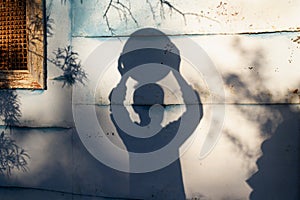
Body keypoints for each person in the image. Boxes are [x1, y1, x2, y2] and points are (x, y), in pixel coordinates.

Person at [109, 28, 203, 199]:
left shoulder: (133, 137)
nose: (154, 106)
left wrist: (124, 77)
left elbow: (116, 107)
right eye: (153, 100)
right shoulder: (169, 137)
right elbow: (195, 111)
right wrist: (177, 73)